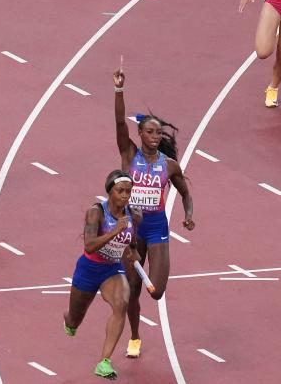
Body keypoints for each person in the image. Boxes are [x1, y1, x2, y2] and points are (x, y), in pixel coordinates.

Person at [113, 69, 194, 359]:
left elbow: (185, 193)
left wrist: (188, 214)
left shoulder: (169, 165)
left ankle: (142, 277)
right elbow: (118, 122)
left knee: (156, 291)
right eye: (150, 132)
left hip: (157, 227)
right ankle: (134, 337)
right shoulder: (129, 154)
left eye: (159, 132)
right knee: (132, 289)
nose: (156, 136)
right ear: (140, 134)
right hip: (131, 230)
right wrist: (119, 90)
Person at [63, 170, 142, 380]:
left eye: (128, 191)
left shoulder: (134, 214)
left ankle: (104, 362)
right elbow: (89, 246)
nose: (125, 195)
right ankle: (69, 321)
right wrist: (115, 231)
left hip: (112, 269)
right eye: (120, 191)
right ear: (110, 192)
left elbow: (132, 236)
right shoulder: (96, 212)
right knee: (74, 320)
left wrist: (133, 250)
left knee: (121, 304)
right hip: (89, 269)